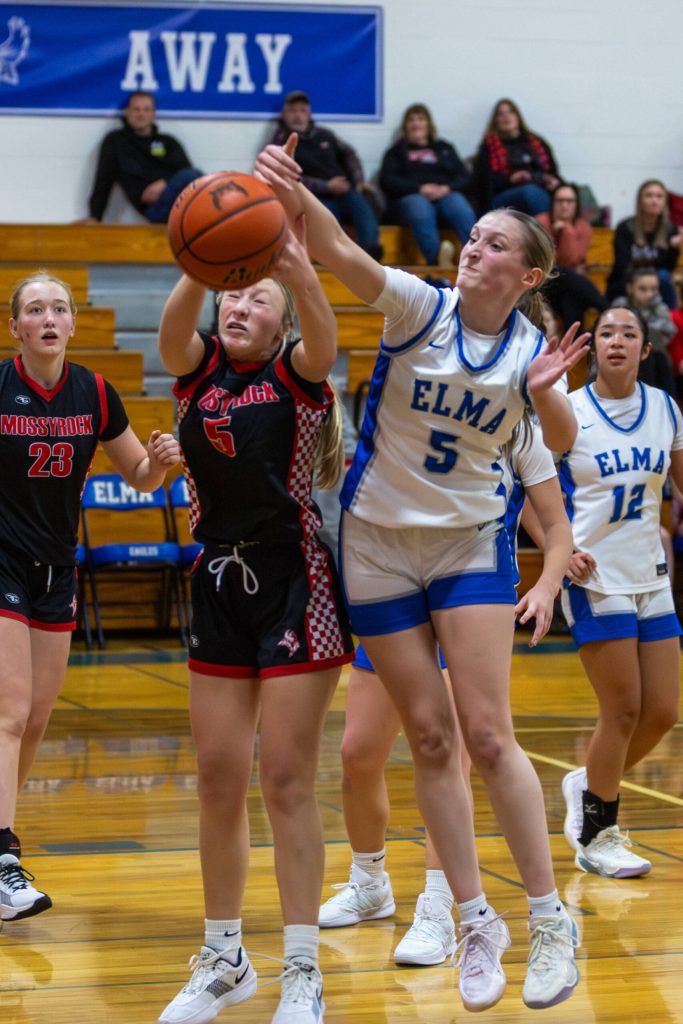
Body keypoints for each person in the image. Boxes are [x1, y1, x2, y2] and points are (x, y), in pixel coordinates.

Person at [256, 134, 589, 1013]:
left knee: (486, 735)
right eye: (471, 236)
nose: (472, 247)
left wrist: (549, 388)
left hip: (466, 548)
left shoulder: (528, 355)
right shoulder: (417, 307)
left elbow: (555, 446)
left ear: (524, 275)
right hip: (372, 546)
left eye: (492, 245)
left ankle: (552, 920)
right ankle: (474, 919)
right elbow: (337, 248)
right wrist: (291, 190)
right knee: (429, 742)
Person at [156, 222, 355, 1024]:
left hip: (291, 577)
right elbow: (175, 330)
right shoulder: (197, 371)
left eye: (256, 297)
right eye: (231, 294)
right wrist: (206, 262)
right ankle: (225, 955)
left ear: (282, 322)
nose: (240, 305)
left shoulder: (300, 377)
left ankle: (302, 966)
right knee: (215, 777)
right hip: (216, 580)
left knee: (284, 779)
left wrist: (298, 271)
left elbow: (326, 335)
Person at [318, 421, 571, 975]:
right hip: (401, 585)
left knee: (448, 754)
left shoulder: (513, 420)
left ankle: (439, 901)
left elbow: (541, 500)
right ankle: (369, 882)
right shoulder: (418, 402)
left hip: (467, 591)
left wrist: (552, 572)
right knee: (358, 754)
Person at [0, 271, 181, 923]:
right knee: (11, 711)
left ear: (73, 324)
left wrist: (161, 461)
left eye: (59, 308)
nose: (48, 317)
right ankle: (4, 859)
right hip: (2, 561)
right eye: (35, 309)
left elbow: (137, 474)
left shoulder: (95, 394)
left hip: (57, 566)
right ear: (15, 326)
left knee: (37, 721)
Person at [558, 306, 683, 878]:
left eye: (628, 333)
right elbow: (533, 485)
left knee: (661, 711)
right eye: (605, 332)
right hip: (594, 575)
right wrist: (557, 550)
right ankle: (596, 832)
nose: (615, 341)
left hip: (650, 573)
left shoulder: (664, 408)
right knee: (624, 708)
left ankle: (588, 781)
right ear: (591, 347)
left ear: (644, 349)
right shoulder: (569, 412)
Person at [270, 91, 383, 260]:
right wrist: (326, 186)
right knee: (325, 221)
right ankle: (331, 260)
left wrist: (358, 181)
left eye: (302, 110)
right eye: (293, 111)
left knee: (363, 207)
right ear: (284, 115)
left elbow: (350, 155)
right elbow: (285, 177)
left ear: (309, 114)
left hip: (344, 190)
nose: (298, 116)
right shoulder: (280, 142)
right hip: (312, 195)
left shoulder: (325, 135)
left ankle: (369, 256)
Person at [81, 91, 203, 224]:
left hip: (181, 205)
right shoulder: (116, 141)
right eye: (136, 109)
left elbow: (190, 176)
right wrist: (95, 216)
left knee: (195, 177)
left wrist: (165, 183)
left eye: (146, 109)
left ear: (153, 114)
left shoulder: (168, 142)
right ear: (127, 112)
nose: (141, 114)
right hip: (155, 208)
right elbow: (103, 180)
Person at [378, 102, 476, 266]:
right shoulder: (396, 152)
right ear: (405, 126)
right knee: (419, 205)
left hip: (445, 195)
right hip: (412, 198)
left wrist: (447, 188)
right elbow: (387, 181)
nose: (416, 123)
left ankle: (476, 257)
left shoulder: (444, 148)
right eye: (411, 120)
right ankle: (437, 260)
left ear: (428, 124)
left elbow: (464, 177)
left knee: (458, 203)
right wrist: (419, 189)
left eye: (421, 119)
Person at [536, 183, 608, 331]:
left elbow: (571, 259)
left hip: (568, 286)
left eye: (569, 201)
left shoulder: (584, 227)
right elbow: (551, 264)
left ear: (576, 205)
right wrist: (567, 232)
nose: (564, 206)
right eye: (560, 201)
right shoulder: (540, 223)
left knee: (572, 299)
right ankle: (606, 309)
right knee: (565, 274)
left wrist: (565, 230)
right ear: (553, 203)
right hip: (543, 283)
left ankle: (575, 344)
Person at [473, 98, 560, 216]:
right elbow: (483, 184)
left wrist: (552, 182)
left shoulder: (537, 142)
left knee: (566, 196)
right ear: (495, 121)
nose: (506, 117)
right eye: (500, 114)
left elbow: (553, 173)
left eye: (510, 112)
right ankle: (543, 233)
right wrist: (510, 179)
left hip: (540, 188)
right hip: (502, 198)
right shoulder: (488, 147)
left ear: (517, 116)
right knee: (530, 192)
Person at [606, 180, 683, 309]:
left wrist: (674, 248)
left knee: (664, 277)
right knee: (634, 284)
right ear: (640, 200)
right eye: (649, 195)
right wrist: (645, 277)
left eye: (659, 196)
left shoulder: (671, 229)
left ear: (665, 202)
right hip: (627, 279)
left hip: (656, 282)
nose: (654, 201)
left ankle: (671, 320)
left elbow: (669, 267)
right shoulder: (625, 227)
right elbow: (622, 264)